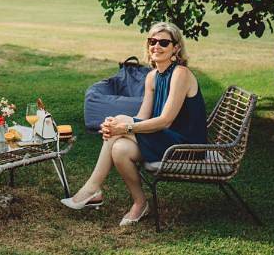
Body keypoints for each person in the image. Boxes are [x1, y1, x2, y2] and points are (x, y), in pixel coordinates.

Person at [61, 21, 207, 226]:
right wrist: (116, 129)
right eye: (152, 41)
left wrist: (124, 127)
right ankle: (140, 203)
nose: (156, 46)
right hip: (165, 142)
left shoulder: (180, 74)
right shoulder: (152, 77)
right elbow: (143, 117)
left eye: (164, 42)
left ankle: (92, 189)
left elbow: (165, 121)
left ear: (176, 48)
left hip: (186, 145)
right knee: (120, 148)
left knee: (121, 121)